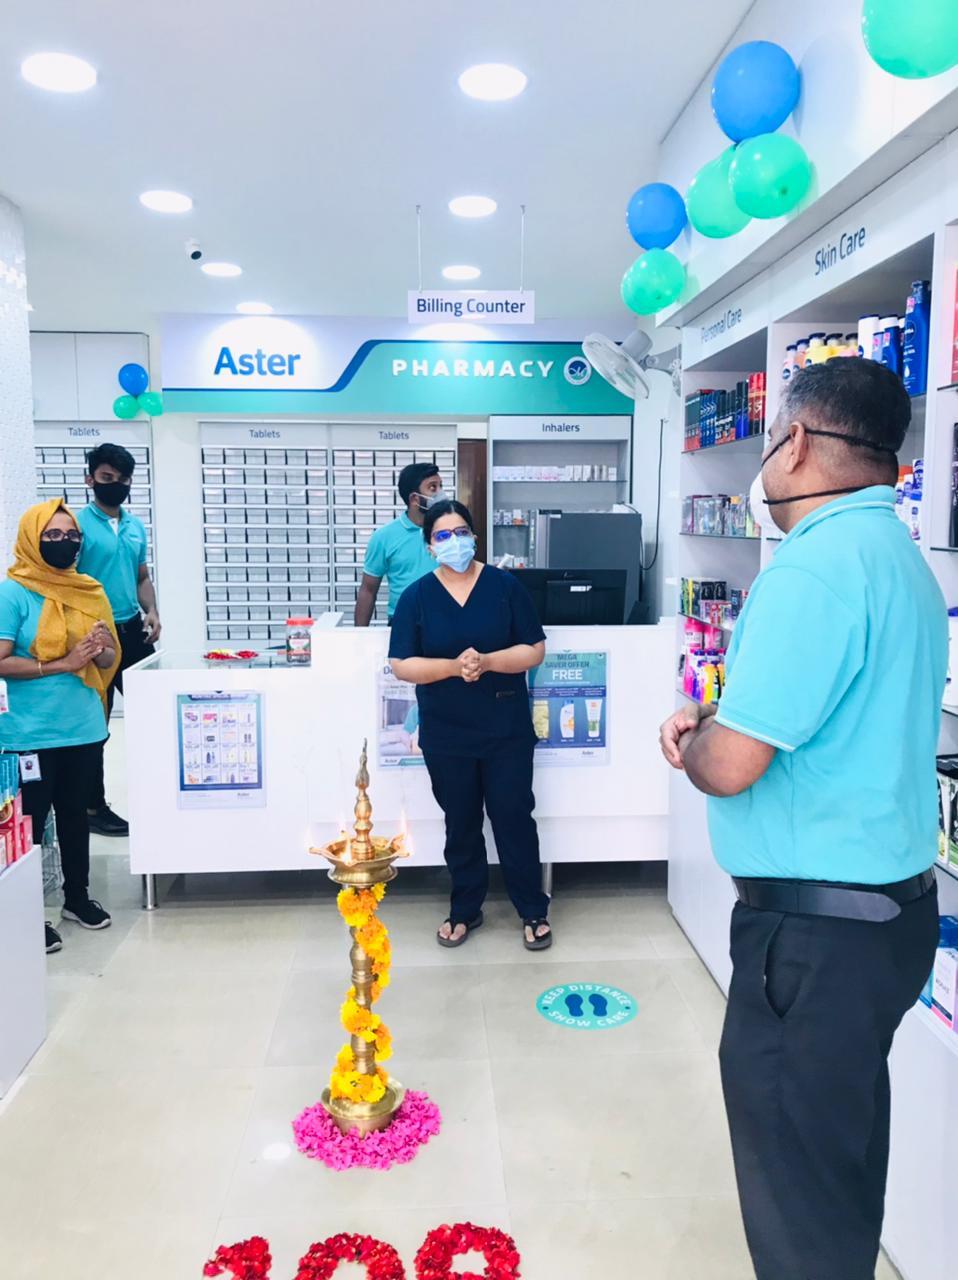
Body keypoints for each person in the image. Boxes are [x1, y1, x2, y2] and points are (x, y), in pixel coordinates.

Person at [659, 360, 947, 1280]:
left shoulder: (814, 568)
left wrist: (693, 741)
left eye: (776, 436)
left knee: (796, 1198)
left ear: (796, 442)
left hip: (814, 940)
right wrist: (723, 718)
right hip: (887, 921)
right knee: (839, 1162)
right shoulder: (899, 559)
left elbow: (736, 767)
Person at [389, 499, 552, 950]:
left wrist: (487, 661)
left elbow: (534, 649)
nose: (454, 541)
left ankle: (532, 910)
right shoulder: (417, 597)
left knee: (513, 817)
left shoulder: (504, 587)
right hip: (447, 730)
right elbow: (401, 664)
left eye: (462, 532)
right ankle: (465, 909)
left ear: (475, 537)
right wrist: (452, 667)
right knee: (460, 821)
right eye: (442, 535)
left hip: (504, 727)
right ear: (428, 546)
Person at [0, 499, 120, 953]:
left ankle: (77, 898)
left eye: (71, 536)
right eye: (52, 536)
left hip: (83, 725)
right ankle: (27, 912)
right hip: (28, 733)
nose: (64, 543)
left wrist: (100, 648)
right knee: (28, 824)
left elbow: (107, 661)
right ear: (32, 539)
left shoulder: (88, 589)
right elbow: (2, 660)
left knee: (74, 816)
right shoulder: (12, 593)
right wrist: (62, 663)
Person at [76, 442, 160, 836]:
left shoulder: (134, 526)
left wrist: (153, 611)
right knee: (99, 725)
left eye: (123, 480)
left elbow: (141, 576)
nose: (116, 486)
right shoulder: (76, 526)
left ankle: (160, 797)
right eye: (108, 478)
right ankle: (93, 807)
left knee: (154, 716)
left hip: (132, 631)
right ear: (90, 478)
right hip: (96, 636)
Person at [354, 462, 445, 626]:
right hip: (403, 622)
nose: (441, 493)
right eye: (433, 487)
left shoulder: (449, 532)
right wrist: (359, 636)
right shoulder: (384, 537)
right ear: (414, 498)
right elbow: (368, 590)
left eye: (441, 486)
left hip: (445, 619)